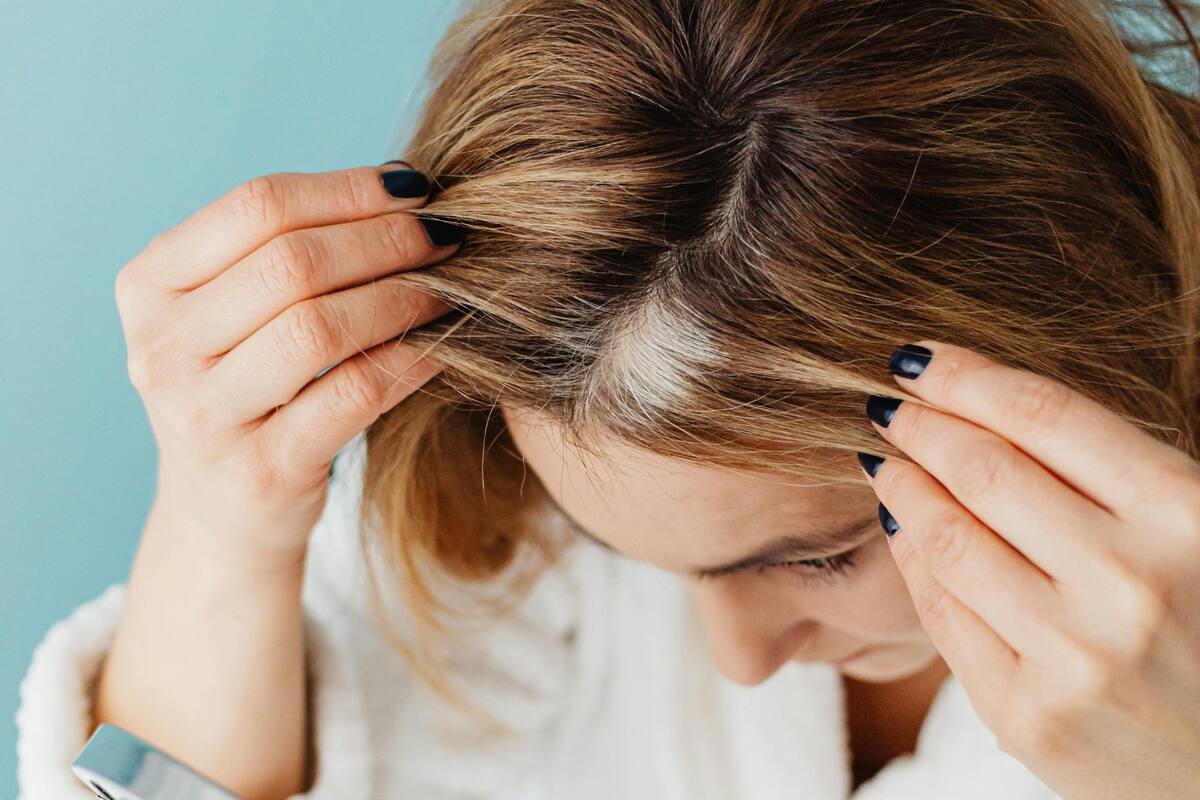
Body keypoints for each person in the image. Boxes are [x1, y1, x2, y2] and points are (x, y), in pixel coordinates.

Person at [16, 0, 1200, 798]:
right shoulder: (487, 532)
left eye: (821, 555)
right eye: (642, 554)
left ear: (1094, 357)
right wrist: (220, 520)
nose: (740, 661)